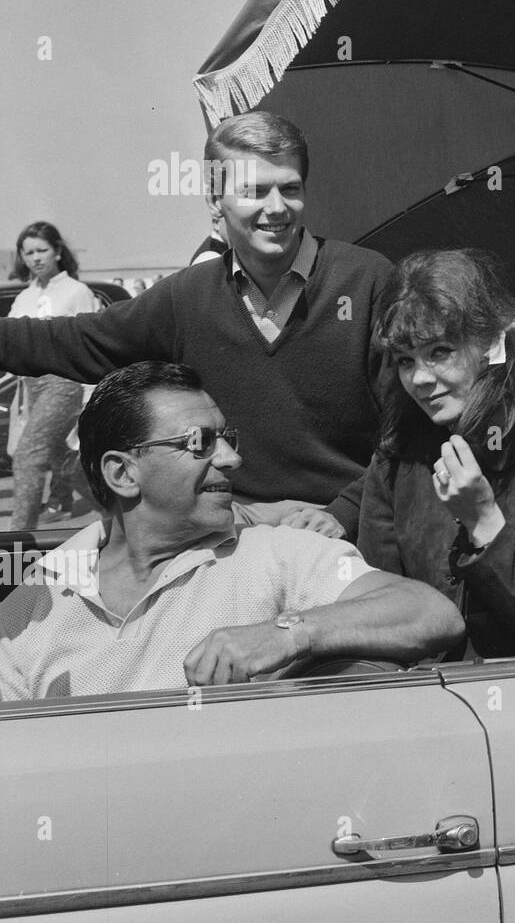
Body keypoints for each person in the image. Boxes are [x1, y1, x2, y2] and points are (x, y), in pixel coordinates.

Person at [0, 112, 392, 534]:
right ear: (214, 201)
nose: (277, 207)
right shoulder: (187, 296)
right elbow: (78, 341)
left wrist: (344, 513)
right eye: (254, 191)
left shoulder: (367, 280)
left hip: (346, 529)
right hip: (232, 530)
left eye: (290, 189)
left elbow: (408, 425)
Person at [0, 363, 463, 700]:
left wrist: (288, 634)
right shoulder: (35, 601)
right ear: (122, 473)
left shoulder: (277, 555)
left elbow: (430, 613)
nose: (231, 459)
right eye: (199, 443)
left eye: (227, 438)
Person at [345, 249, 515, 657]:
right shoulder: (396, 459)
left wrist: (485, 523)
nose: (419, 379)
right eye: (405, 360)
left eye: (439, 352)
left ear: (492, 344)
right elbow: (378, 609)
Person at [5, 222, 98, 530]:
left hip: (64, 383)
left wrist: (92, 399)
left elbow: (90, 346)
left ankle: (17, 541)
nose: (35, 258)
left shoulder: (77, 292)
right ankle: (124, 520)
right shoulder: (23, 297)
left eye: (42, 250)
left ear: (57, 251)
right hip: (30, 387)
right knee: (70, 466)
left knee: (28, 456)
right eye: (28, 252)